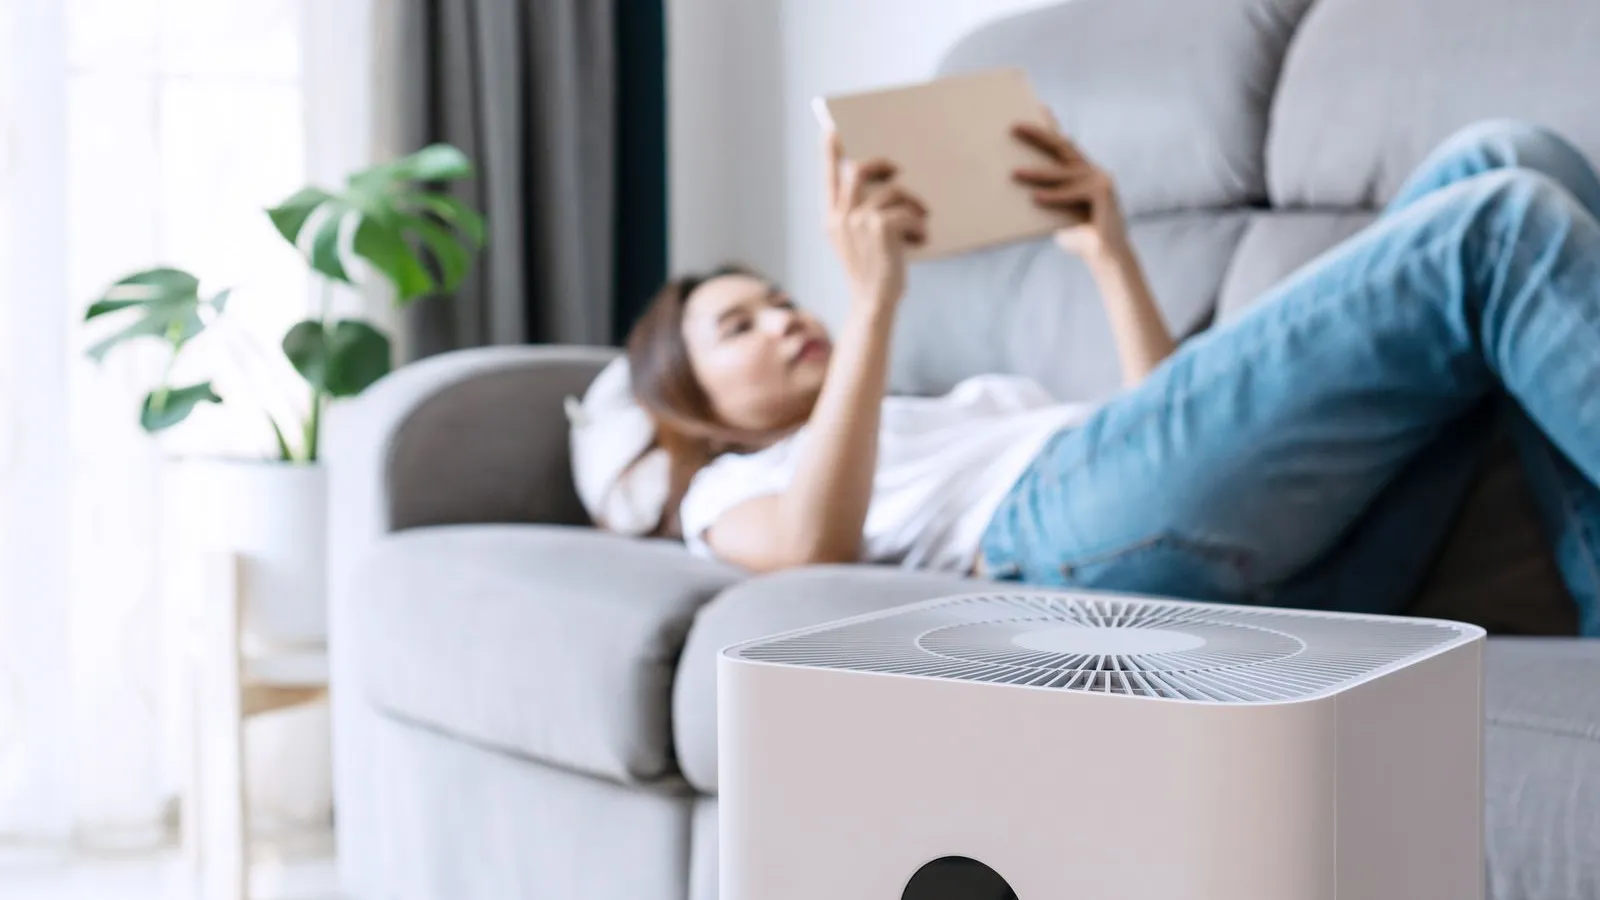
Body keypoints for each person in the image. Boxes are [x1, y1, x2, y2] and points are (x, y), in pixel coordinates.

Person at [623, 117, 1600, 636]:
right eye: (737, 326)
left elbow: (1174, 429)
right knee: (1499, 221)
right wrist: (876, 300)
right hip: (1047, 544)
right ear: (690, 401)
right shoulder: (726, 488)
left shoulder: (955, 405)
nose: (784, 319)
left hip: (1206, 528)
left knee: (1512, 152)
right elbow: (808, 547)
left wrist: (1108, 251)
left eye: (781, 300)